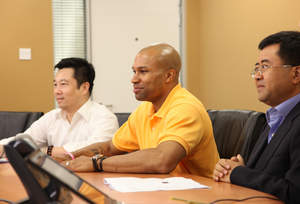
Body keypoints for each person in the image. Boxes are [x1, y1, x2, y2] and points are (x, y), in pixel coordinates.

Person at [62, 43, 219, 178]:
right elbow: (110, 148)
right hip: (162, 191)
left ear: (169, 76)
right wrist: (68, 159)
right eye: (134, 71)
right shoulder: (146, 109)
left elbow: (162, 160)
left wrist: (96, 163)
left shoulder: (185, 108)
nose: (134, 79)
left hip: (200, 196)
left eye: (143, 72)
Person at [213, 31, 300, 203]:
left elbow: (295, 193)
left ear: (296, 74)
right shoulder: (275, 116)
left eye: (265, 67)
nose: (258, 76)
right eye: (256, 68)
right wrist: (232, 169)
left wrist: (239, 173)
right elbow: (270, 175)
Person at [0, 57, 119, 159]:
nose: (57, 91)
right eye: (55, 85)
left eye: (63, 84)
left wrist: (46, 151)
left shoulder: (105, 117)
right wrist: (4, 146)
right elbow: (23, 141)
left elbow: (93, 150)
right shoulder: (52, 117)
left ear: (84, 87)